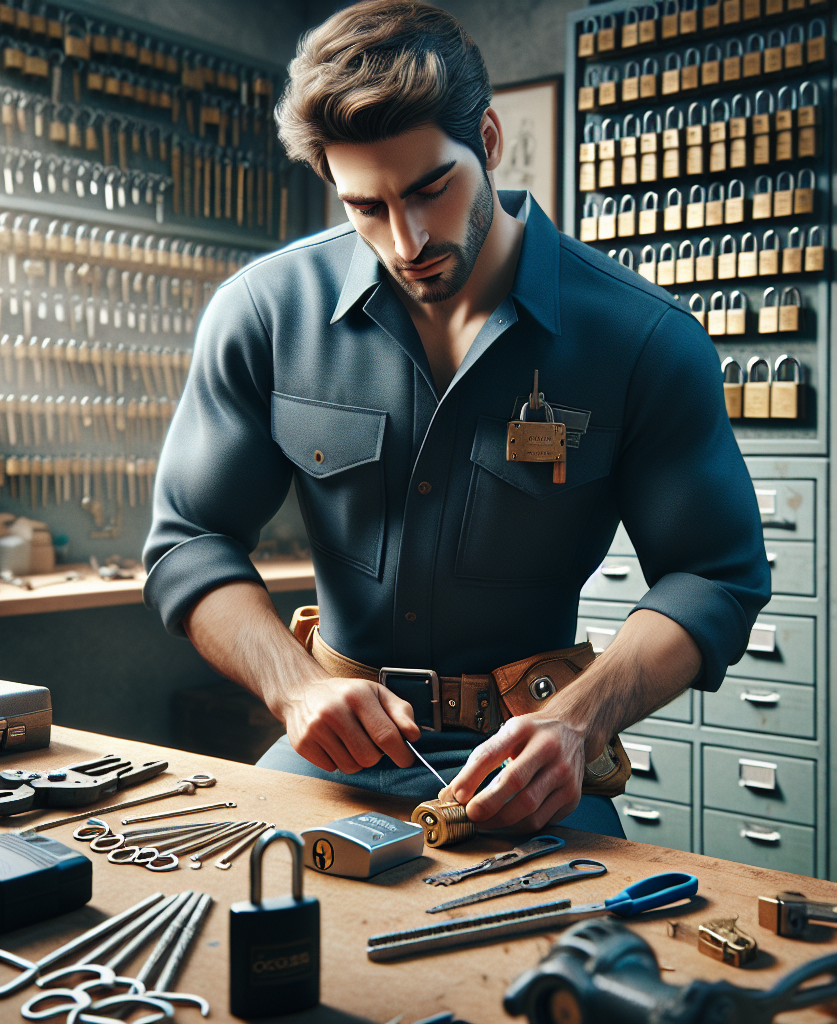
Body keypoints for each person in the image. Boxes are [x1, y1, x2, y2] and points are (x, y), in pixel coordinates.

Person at [143, 0, 770, 837]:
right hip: (332, 762)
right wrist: (293, 686)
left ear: (489, 139)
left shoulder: (645, 339)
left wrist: (581, 721)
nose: (406, 242)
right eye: (365, 207)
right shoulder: (261, 313)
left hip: (536, 766)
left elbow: (715, 574)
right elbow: (188, 540)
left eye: (431, 190)